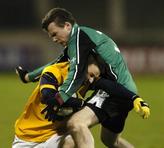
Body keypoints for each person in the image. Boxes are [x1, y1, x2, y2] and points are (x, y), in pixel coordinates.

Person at [16, 7, 150, 147]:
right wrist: (28, 77)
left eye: (55, 34)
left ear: (67, 26)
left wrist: (59, 99)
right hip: (127, 92)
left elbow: (76, 72)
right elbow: (57, 62)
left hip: (112, 91)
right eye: (51, 36)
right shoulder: (83, 37)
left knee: (75, 124)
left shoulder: (79, 38)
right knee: (111, 141)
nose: (54, 39)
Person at [13, 61, 84, 148]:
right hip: (27, 138)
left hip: (55, 136)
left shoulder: (93, 78)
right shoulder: (57, 70)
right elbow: (48, 96)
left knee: (74, 139)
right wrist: (80, 104)